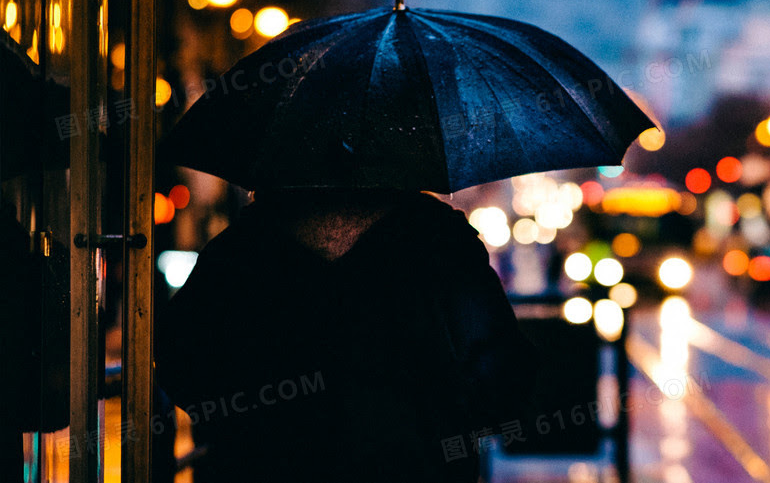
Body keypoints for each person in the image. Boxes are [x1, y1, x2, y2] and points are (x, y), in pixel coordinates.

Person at [156, 189, 538, 482]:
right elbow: (499, 373)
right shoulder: (440, 239)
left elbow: (182, 361)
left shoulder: (243, 246)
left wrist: (245, 422)